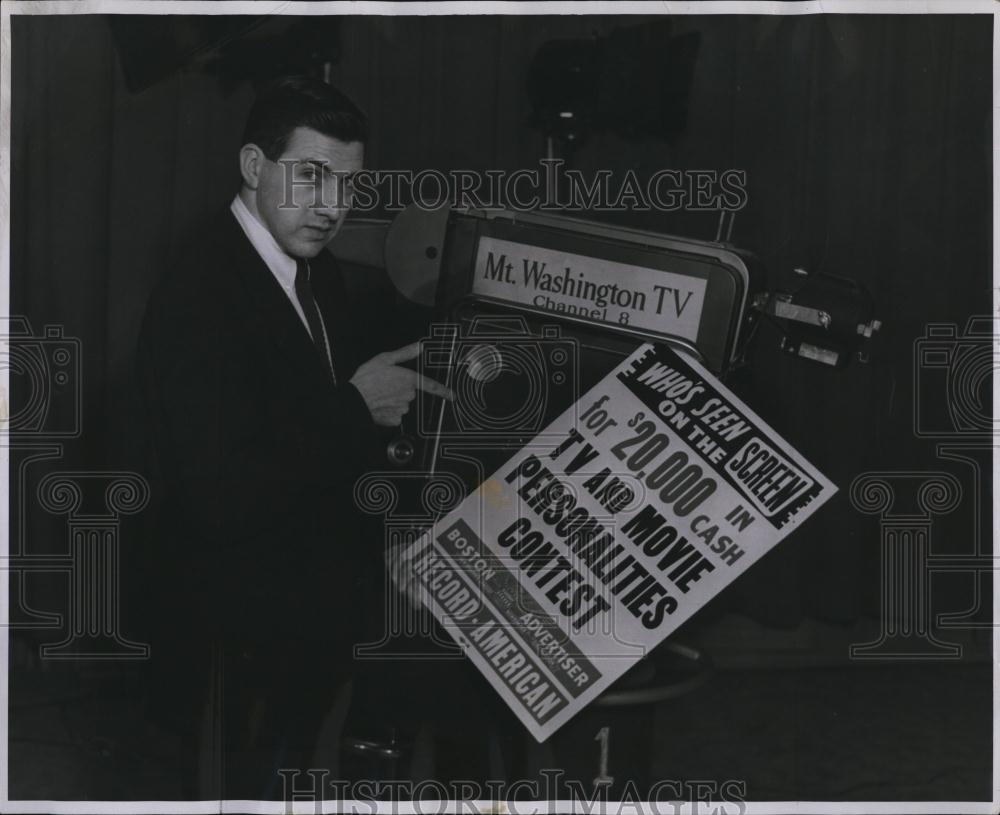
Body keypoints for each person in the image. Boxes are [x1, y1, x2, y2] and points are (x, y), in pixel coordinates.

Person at [136, 75, 451, 799]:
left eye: (347, 183)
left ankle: (371, 759)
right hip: (226, 583)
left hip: (295, 552)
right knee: (443, 641)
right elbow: (221, 495)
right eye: (310, 175)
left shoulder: (310, 267)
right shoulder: (200, 291)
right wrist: (355, 406)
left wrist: (395, 533)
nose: (332, 205)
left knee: (463, 592)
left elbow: (316, 437)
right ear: (253, 167)